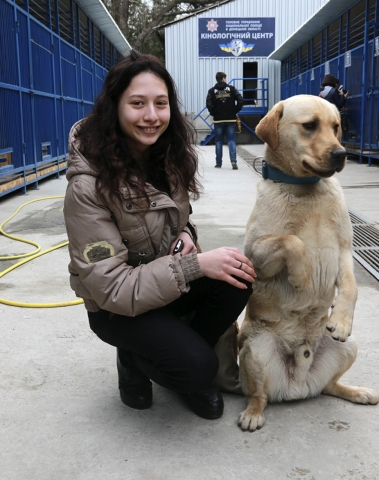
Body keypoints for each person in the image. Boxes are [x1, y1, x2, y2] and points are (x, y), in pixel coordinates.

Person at [63, 50, 256, 421]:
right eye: (138, 103)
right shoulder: (86, 187)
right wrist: (193, 266)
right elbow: (112, 289)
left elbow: (180, 217)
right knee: (197, 369)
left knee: (239, 276)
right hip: (115, 307)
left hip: (161, 285)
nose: (152, 116)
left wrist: (185, 233)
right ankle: (135, 357)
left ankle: (177, 353)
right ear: (114, 107)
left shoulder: (167, 156)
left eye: (161, 103)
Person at [206, 72, 244, 170]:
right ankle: (233, 161)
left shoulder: (211, 91)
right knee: (231, 140)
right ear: (223, 78)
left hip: (218, 120)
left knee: (218, 141)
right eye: (225, 78)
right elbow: (240, 100)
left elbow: (208, 104)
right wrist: (235, 110)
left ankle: (218, 163)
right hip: (230, 118)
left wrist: (214, 113)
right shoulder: (231, 89)